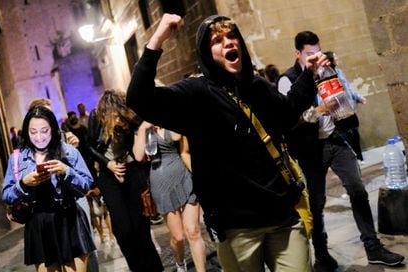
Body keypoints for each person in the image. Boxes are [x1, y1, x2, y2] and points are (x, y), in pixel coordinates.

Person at [126, 13, 329, 271]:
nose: (229, 43)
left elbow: (287, 113)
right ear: (206, 52)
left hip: (282, 216)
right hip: (237, 228)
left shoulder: (257, 86)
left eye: (232, 36)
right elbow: (139, 99)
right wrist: (159, 36)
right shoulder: (196, 94)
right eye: (217, 40)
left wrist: (310, 75)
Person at [277, 30, 405, 270]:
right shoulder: (287, 80)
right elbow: (288, 120)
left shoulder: (327, 69)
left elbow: (341, 95)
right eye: (309, 54)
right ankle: (322, 253)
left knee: (357, 188)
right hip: (309, 148)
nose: (315, 57)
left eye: (318, 52)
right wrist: (318, 111)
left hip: (336, 140)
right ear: (298, 54)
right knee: (316, 202)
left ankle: (373, 246)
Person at [2, 106, 95, 271]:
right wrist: (24, 183)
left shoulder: (68, 151)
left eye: (44, 131)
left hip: (69, 218)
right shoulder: (18, 158)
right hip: (38, 222)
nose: (39, 137)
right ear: (26, 132)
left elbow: (87, 184)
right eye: (33, 132)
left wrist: (66, 171)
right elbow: (6, 194)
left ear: (52, 128)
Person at [88, 89, 163, 272]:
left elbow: (139, 149)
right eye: (114, 115)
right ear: (106, 111)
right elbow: (90, 146)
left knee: (141, 226)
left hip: (132, 171)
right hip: (109, 176)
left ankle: (153, 267)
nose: (118, 118)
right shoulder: (96, 117)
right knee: (123, 229)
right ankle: (136, 267)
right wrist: (109, 164)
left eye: (119, 114)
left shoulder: (129, 118)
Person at [27, 99, 99, 272]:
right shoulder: (27, 148)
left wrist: (72, 149)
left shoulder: (66, 137)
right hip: (46, 209)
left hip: (73, 198)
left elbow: (83, 176)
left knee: (84, 246)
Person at [134, 122, 206, 272]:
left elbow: (177, 135)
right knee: (178, 237)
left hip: (183, 176)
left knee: (193, 232)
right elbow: (138, 156)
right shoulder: (141, 129)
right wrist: (142, 128)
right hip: (161, 185)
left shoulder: (168, 119)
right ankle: (180, 264)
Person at [324, 50, 367, 162]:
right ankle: (353, 159)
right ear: (330, 60)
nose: (337, 58)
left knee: (355, 133)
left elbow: (348, 87)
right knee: (346, 137)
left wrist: (358, 97)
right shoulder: (325, 75)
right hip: (339, 112)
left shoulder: (339, 71)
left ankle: (359, 157)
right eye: (335, 57)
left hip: (349, 109)